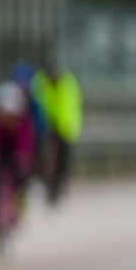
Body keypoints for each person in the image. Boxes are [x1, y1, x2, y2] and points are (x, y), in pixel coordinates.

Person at [0, 80, 37, 245]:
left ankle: (20, 200)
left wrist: (24, 159)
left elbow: (26, 144)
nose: (8, 118)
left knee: (21, 178)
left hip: (16, 153)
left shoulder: (23, 124)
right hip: (2, 153)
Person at [32, 55, 82, 203]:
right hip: (45, 125)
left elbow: (70, 109)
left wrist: (65, 129)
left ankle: (62, 180)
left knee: (64, 156)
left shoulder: (68, 84)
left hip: (64, 126)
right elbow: (36, 105)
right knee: (38, 152)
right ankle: (41, 179)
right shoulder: (39, 82)